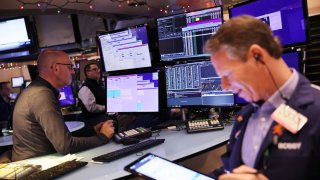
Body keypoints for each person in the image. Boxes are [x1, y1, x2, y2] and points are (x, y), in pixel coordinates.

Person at [205, 15, 320, 180]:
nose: (224, 86)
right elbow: (231, 170)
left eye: (228, 74)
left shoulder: (316, 111)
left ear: (257, 55)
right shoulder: (245, 115)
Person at [12, 49, 115, 161]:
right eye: (70, 67)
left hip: (37, 160)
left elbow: (58, 139)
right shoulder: (42, 94)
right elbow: (65, 146)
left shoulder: (37, 90)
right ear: (55, 68)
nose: (73, 72)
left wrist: (92, 131)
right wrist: (102, 137)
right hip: (36, 167)